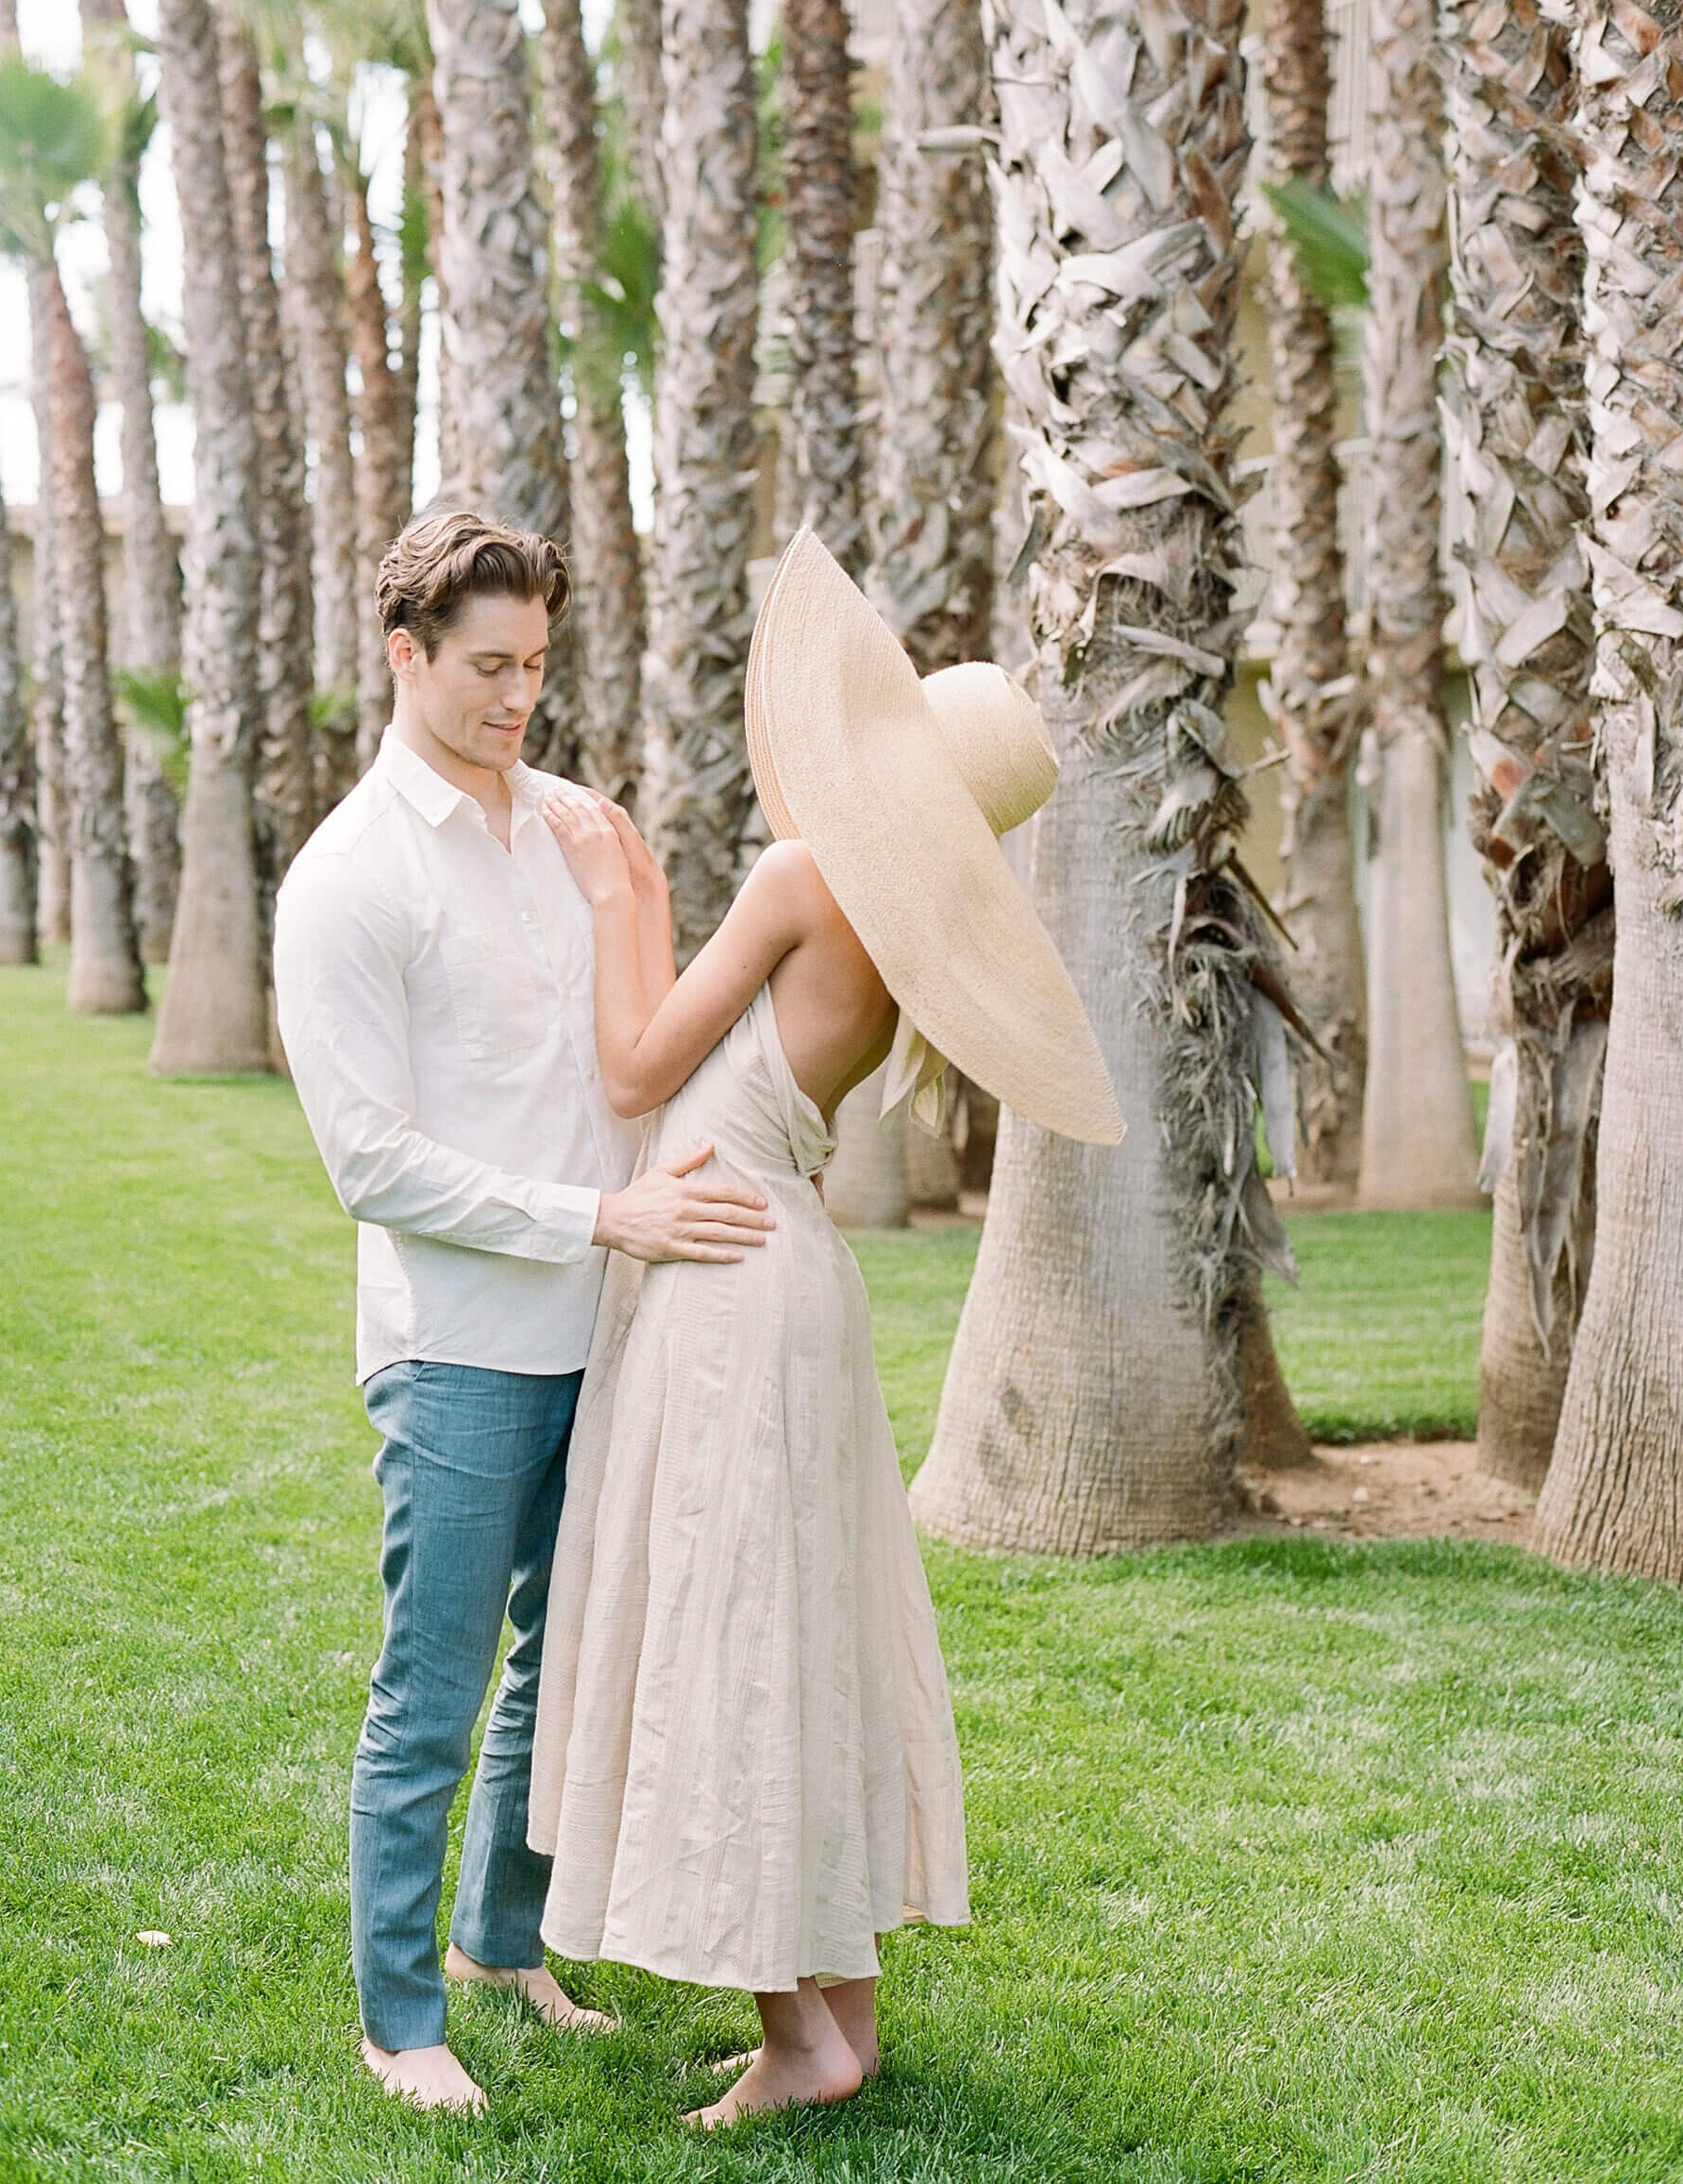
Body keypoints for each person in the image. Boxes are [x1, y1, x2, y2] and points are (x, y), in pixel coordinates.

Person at [526, 529, 1125, 2127]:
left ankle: (803, 2038)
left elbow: (643, 1068)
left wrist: (614, 900)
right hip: (782, 1279)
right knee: (797, 1623)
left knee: (738, 1630)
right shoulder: (891, 935)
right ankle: (832, 2023)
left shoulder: (801, 880)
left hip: (730, 1288)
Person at [272, 508, 776, 2117]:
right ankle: (400, 2017)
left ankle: (503, 1942)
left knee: (564, 1668)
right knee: (433, 1690)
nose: (518, 700)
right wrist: (597, 1214)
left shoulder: (574, 826)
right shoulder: (348, 878)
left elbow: (643, 1034)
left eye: (538, 667)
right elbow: (370, 1162)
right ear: (405, 654)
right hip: (462, 1347)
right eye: (489, 668)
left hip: (614, 1322)